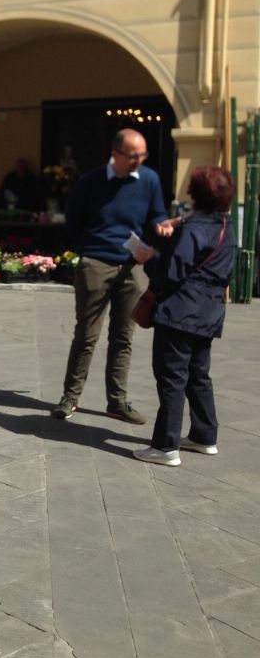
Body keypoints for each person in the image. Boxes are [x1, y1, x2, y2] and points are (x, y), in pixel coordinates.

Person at [51, 129, 171, 424]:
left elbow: (156, 215)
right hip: (96, 263)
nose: (138, 161)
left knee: (123, 336)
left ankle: (117, 400)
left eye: (142, 155)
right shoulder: (91, 181)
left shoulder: (150, 180)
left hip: (133, 266)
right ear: (115, 153)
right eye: (133, 156)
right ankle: (70, 397)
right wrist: (87, 251)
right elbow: (74, 218)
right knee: (86, 334)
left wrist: (159, 232)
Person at [131, 167, 236, 466]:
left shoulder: (193, 228)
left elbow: (171, 272)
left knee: (171, 377)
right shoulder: (226, 227)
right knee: (198, 374)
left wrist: (149, 260)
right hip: (210, 311)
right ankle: (205, 435)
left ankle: (166, 447)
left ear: (195, 194)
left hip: (179, 311)